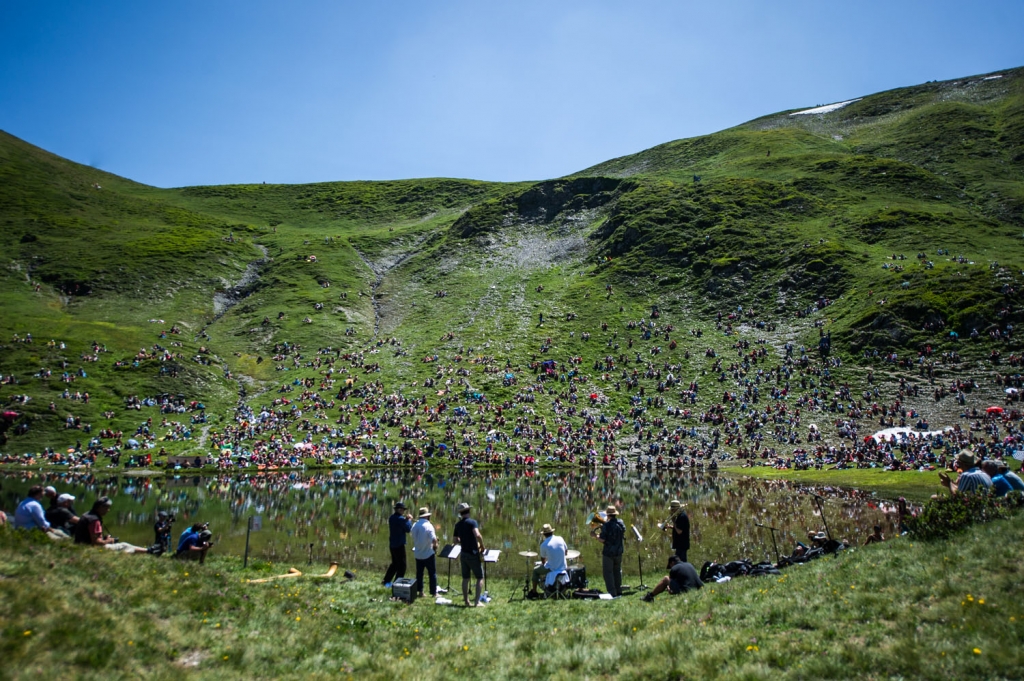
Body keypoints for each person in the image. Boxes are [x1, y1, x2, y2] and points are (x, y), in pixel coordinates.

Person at [73, 497, 148, 554]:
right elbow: (96, 542)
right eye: (107, 508)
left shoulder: (87, 515)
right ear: (100, 508)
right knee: (125, 546)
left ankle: (149, 550)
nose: (108, 510)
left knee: (125, 545)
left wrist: (104, 538)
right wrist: (109, 541)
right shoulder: (95, 520)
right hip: (89, 548)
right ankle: (149, 551)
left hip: (79, 544)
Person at [453, 502, 485, 607]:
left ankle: (466, 601)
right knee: (480, 577)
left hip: (463, 554)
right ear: (469, 511)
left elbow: (455, 540)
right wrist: (482, 545)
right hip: (473, 553)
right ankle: (477, 602)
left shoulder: (457, 525)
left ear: (460, 514)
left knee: (465, 578)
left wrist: (463, 539)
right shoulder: (472, 522)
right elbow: (478, 535)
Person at [531, 523, 568, 596]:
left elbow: (543, 560)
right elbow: (566, 552)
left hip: (552, 568)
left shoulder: (544, 545)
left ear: (544, 534)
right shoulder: (560, 538)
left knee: (535, 571)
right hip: (563, 566)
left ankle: (534, 592)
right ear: (552, 532)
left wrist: (545, 563)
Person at [382, 502, 413, 587]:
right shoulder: (400, 519)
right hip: (399, 544)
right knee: (402, 566)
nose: (403, 511)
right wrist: (409, 520)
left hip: (392, 544)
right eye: (402, 509)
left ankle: (386, 580)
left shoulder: (392, 518)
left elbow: (401, 525)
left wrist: (405, 520)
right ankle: (397, 583)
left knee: (394, 564)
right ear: (398, 509)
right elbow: (408, 529)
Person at [597, 505, 625, 597]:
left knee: (608, 573)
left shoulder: (606, 525)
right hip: (619, 551)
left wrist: (595, 536)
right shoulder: (621, 523)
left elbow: (603, 539)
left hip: (609, 553)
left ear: (608, 515)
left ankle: (612, 593)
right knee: (617, 571)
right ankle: (619, 590)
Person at [411, 506, 439, 599]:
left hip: (418, 553)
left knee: (419, 573)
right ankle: (434, 592)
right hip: (428, 553)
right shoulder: (429, 525)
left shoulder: (414, 525)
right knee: (432, 573)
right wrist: (435, 547)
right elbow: (434, 539)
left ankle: (420, 591)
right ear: (427, 516)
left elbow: (414, 537)